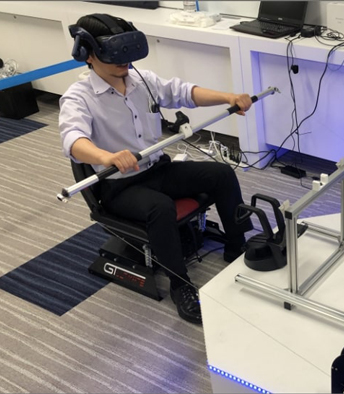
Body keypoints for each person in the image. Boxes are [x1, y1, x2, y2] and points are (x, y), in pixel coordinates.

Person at [59, 13, 254, 324]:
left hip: (157, 170)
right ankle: (181, 286)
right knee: (160, 208)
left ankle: (236, 244)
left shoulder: (141, 81)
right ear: (88, 54)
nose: (125, 62)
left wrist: (227, 97)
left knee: (221, 174)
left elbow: (185, 92)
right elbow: (73, 140)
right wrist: (106, 156)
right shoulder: (78, 97)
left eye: (129, 52)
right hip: (120, 186)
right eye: (115, 54)